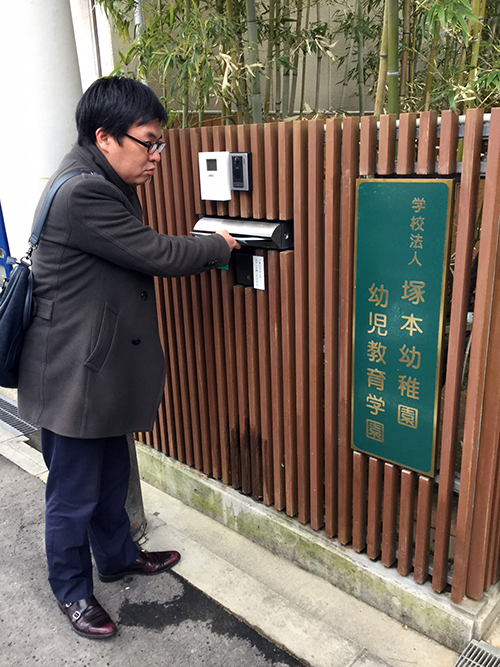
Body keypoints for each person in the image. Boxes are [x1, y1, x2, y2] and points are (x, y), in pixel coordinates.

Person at [17, 76, 240, 640]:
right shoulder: (84, 193)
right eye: (149, 142)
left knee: (112, 475)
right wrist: (219, 244)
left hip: (96, 365)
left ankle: (116, 557)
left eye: (160, 142)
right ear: (105, 137)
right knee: (72, 495)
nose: (157, 155)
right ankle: (72, 590)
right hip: (72, 374)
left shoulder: (96, 176)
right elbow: (156, 252)